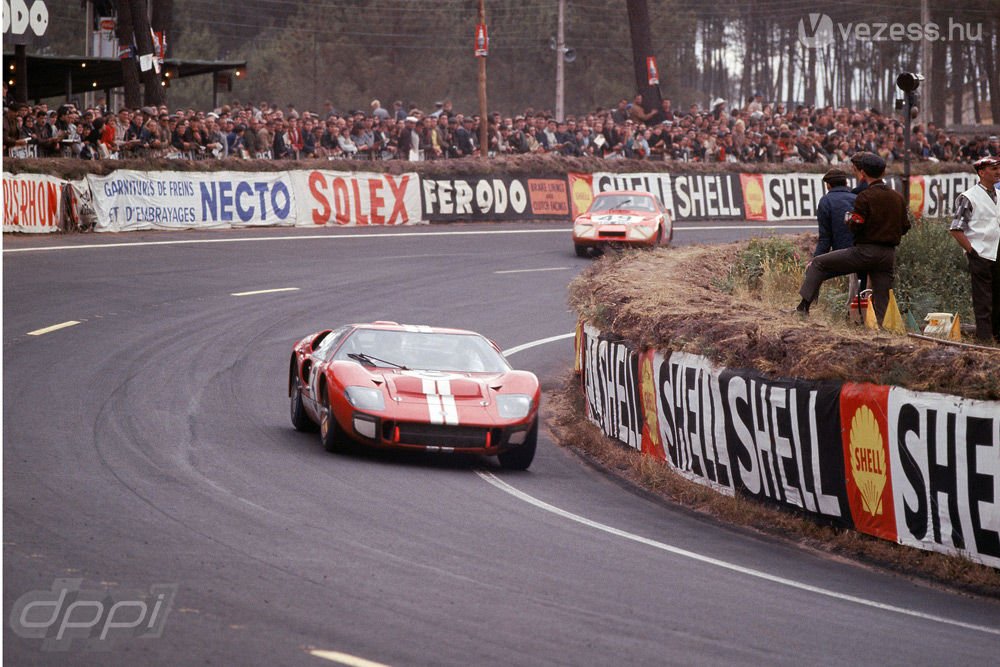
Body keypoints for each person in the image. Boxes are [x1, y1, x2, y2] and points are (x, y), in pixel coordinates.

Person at [794, 152, 910, 323]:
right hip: (888, 255)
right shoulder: (897, 197)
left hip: (865, 252)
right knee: (882, 300)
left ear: (862, 173)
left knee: (818, 263)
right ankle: (883, 332)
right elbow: (905, 226)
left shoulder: (865, 197)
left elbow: (856, 224)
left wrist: (850, 220)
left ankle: (802, 309)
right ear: (883, 173)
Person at [948, 156, 1000, 342]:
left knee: (997, 298)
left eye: (998, 168)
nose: (997, 172)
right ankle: (985, 339)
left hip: (997, 251)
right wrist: (971, 251)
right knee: (983, 299)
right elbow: (956, 228)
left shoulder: (999, 195)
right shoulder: (969, 197)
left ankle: (996, 336)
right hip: (980, 253)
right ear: (981, 172)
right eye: (993, 168)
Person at [814, 168, 857, 256]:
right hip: (861, 253)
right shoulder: (857, 198)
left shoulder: (826, 201)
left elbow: (825, 239)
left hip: (840, 255)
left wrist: (815, 260)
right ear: (846, 183)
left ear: (828, 185)